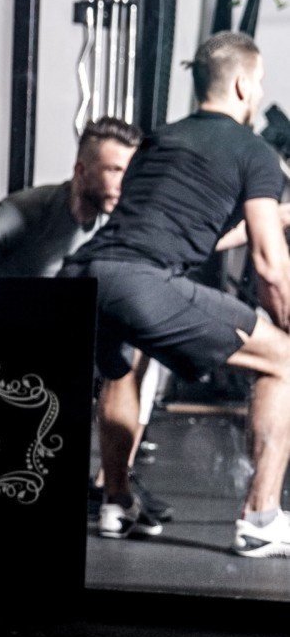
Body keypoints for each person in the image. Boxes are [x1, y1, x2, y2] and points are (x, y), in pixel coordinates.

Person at [72, 32, 290, 556]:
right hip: (143, 281)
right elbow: (269, 263)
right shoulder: (254, 152)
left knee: (126, 368)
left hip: (86, 274)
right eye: (257, 83)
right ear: (242, 84)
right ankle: (261, 518)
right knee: (282, 361)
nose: (258, 92)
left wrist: (274, 214)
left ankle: (116, 501)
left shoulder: (158, 142)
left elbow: (184, 229)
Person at [0, 118, 143, 281]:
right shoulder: (23, 210)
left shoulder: (117, 225)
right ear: (81, 171)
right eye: (114, 171)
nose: (123, 184)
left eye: (128, 173)